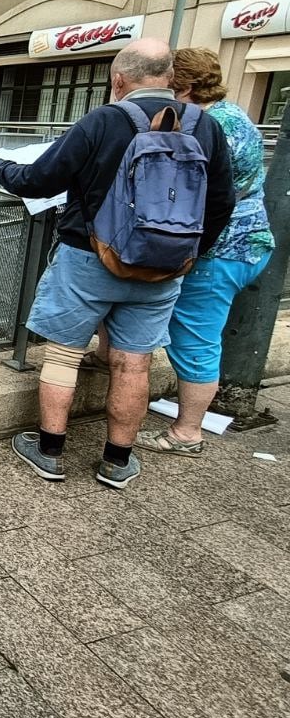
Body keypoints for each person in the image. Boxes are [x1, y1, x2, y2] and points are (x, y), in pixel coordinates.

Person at [0, 39, 235, 489]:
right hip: (163, 267)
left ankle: (50, 452)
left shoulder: (104, 120)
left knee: (63, 354)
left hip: (88, 257)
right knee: (134, 364)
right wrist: (187, 255)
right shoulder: (205, 127)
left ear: (118, 80)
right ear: (171, 80)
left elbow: (38, 180)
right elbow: (221, 203)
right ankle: (117, 461)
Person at [80, 48, 273, 456]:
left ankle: (187, 433)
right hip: (247, 242)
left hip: (217, 252)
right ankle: (106, 357)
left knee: (195, 337)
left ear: (181, 86)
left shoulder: (203, 126)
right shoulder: (234, 116)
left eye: (167, 84)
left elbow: (199, 199)